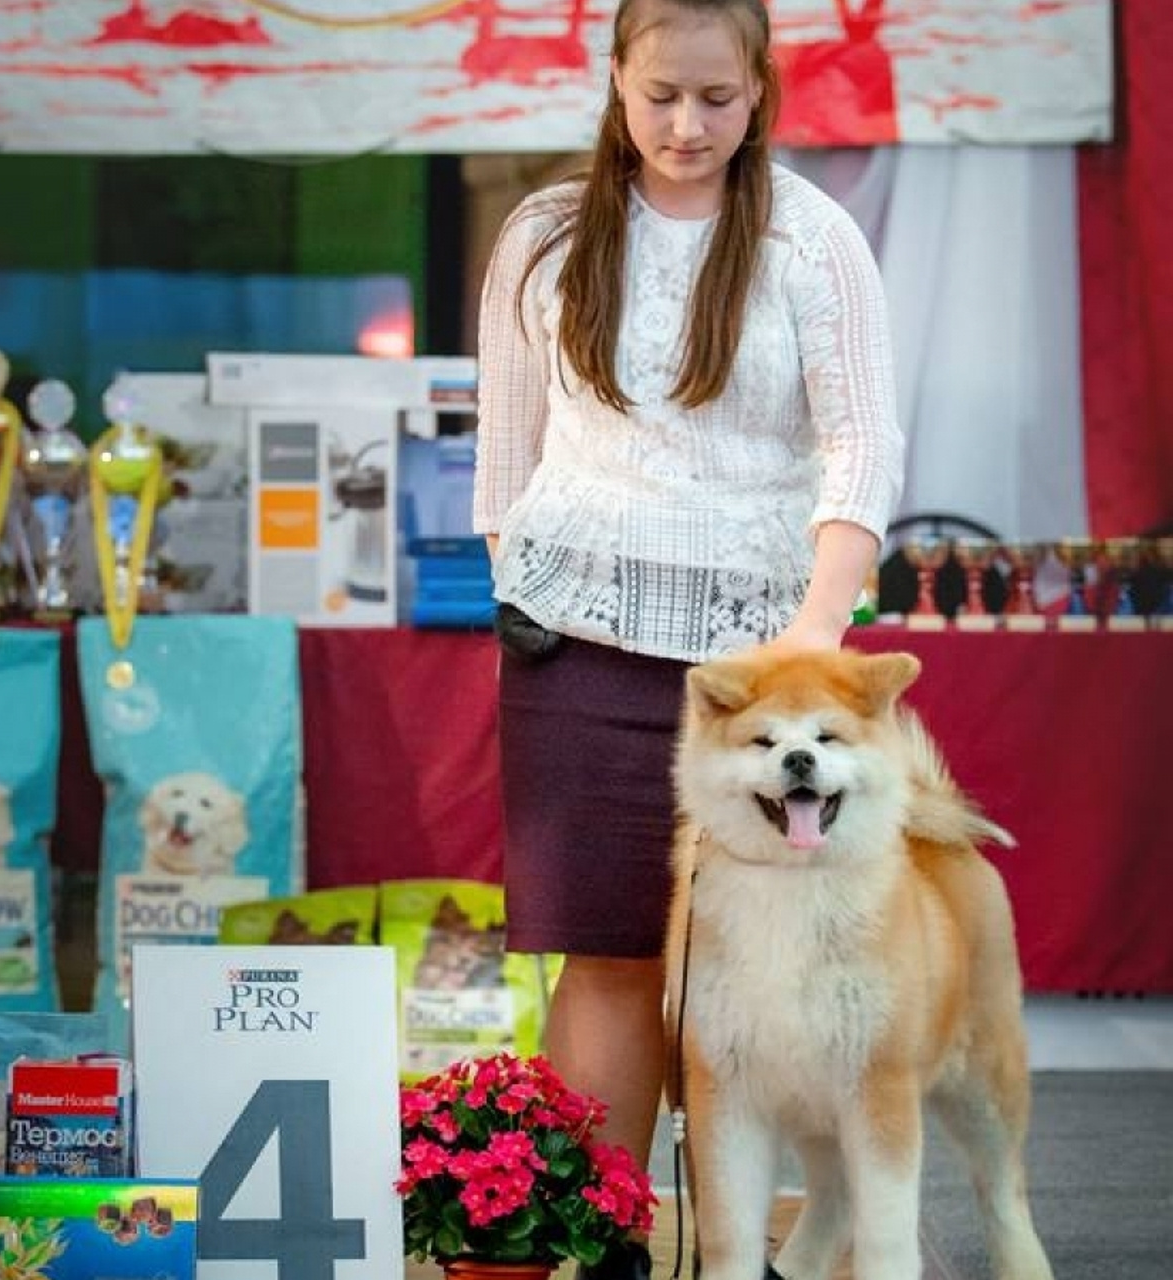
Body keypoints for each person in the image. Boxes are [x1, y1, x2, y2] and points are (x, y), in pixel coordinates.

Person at [473, 1, 904, 1276]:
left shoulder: (813, 242)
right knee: (605, 953)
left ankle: (745, 1251)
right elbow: (505, 452)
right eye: (659, 94)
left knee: (757, 972)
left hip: (763, 667)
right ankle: (598, 1242)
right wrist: (520, 581)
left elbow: (863, 443)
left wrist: (813, 634)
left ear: (759, 90)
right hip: (575, 646)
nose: (685, 125)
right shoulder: (543, 237)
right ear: (613, 80)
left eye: (716, 98)